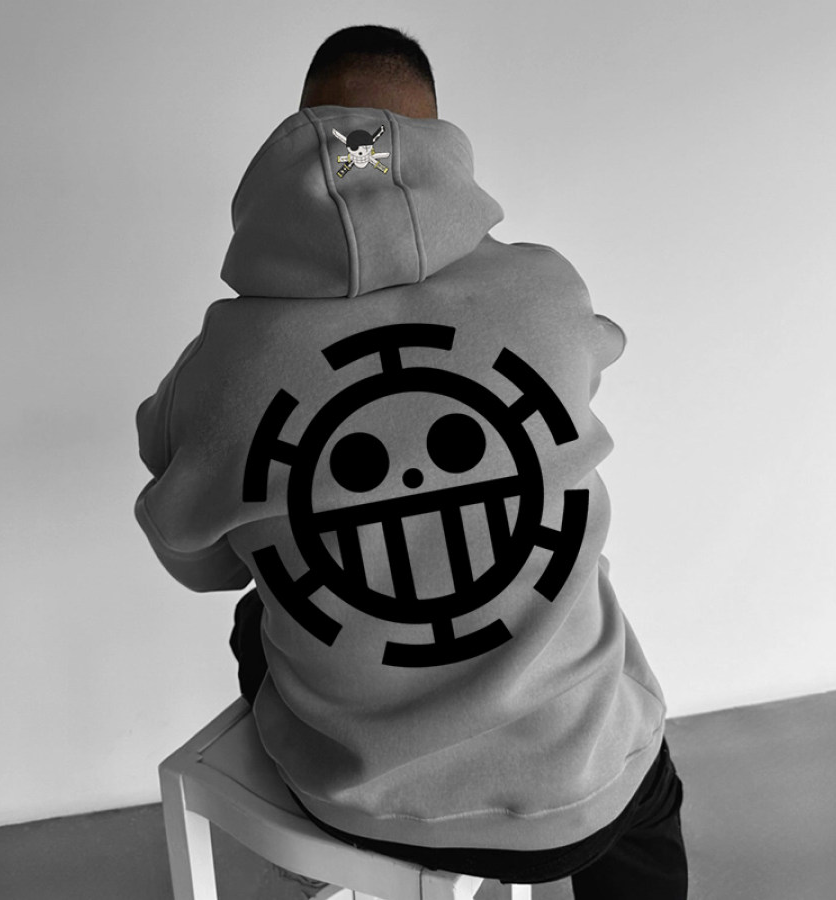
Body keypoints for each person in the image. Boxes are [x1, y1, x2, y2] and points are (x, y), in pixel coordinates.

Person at [135, 24, 688, 898]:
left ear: (301, 134)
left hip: (360, 795)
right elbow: (595, 358)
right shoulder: (548, 289)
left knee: (254, 616)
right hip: (584, 776)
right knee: (640, 779)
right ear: (436, 143)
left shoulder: (214, 371)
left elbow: (202, 567)